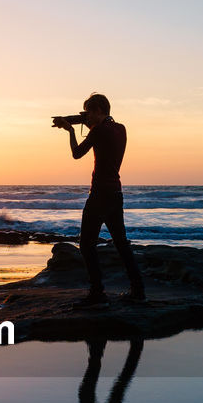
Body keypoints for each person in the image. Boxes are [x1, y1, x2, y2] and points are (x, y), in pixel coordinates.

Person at [57, 93, 145, 306]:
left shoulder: (99, 131)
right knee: (121, 244)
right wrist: (90, 127)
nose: (86, 116)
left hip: (99, 195)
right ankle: (138, 290)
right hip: (116, 194)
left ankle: (97, 293)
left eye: (88, 112)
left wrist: (70, 131)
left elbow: (77, 153)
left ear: (97, 110)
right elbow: (104, 140)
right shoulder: (120, 129)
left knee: (86, 244)